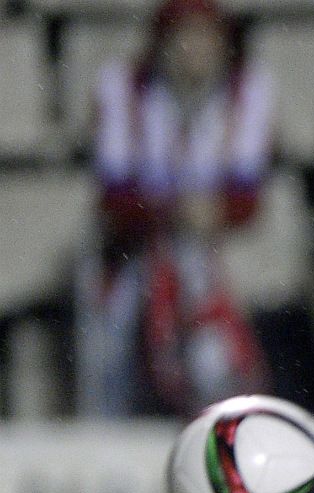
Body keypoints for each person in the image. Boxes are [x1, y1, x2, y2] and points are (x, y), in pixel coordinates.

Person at [78, 0, 273, 416]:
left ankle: (223, 416)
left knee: (212, 306)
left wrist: (209, 214)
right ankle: (116, 420)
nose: (194, 50)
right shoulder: (125, 88)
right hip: (138, 245)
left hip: (215, 246)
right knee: (115, 313)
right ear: (162, 43)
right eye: (184, 36)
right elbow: (114, 196)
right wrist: (175, 211)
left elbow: (247, 199)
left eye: (205, 36)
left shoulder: (246, 92)